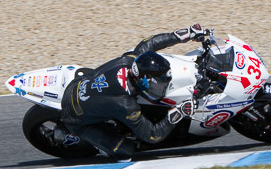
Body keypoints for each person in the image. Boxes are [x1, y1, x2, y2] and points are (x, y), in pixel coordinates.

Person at [60, 24, 210, 160]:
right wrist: (178, 112)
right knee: (126, 152)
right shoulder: (125, 104)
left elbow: (149, 43)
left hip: (79, 84)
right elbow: (152, 135)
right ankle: (95, 144)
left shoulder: (130, 61)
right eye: (157, 85)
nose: (160, 88)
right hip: (75, 118)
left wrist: (181, 35)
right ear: (142, 81)